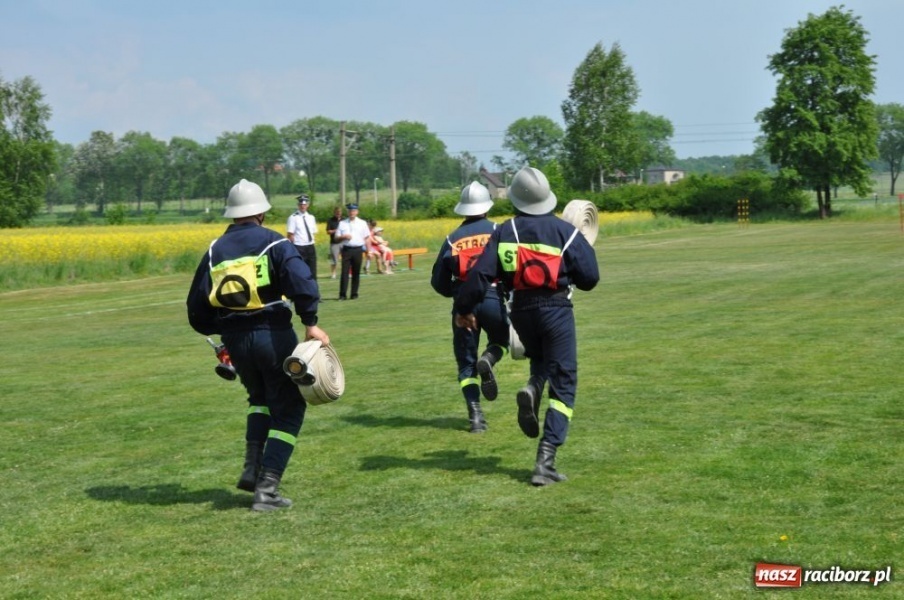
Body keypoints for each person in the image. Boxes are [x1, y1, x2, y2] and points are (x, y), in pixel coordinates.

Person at [186, 179, 331, 511]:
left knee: (259, 399)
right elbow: (302, 282)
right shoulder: (273, 241)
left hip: (236, 341)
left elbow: (196, 308)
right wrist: (310, 321)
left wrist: (225, 329)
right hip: (272, 334)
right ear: (261, 212)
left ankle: (252, 469)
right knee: (290, 407)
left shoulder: (215, 249)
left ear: (232, 213)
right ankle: (267, 488)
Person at [453, 167, 599, 485]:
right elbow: (590, 278)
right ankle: (545, 460)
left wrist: (463, 309)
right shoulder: (565, 231)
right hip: (556, 310)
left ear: (516, 199)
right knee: (564, 383)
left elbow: (479, 275)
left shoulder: (504, 231)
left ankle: (533, 386)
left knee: (542, 360)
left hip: (520, 311)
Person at [431, 182, 509, 433]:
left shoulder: (452, 239)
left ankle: (476, 416)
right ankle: (488, 359)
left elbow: (438, 281)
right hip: (493, 298)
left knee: (466, 364)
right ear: (486, 207)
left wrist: (456, 294)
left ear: (463, 208)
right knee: (502, 342)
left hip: (463, 307)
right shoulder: (498, 230)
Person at [335, 203, 371, 300]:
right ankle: (342, 294)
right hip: (347, 249)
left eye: (354, 211)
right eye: (350, 211)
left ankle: (354, 293)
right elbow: (336, 238)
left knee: (356, 272)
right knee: (344, 272)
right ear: (348, 212)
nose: (352, 213)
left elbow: (367, 238)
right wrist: (343, 236)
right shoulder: (342, 223)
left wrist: (369, 251)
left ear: (357, 212)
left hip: (358, 249)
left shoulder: (362, 223)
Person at [286, 194, 317, 279]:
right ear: (298, 205)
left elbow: (313, 232)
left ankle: (313, 286)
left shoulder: (311, 217)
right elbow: (290, 234)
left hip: (310, 246)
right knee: (300, 271)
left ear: (307, 205)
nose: (303, 206)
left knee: (312, 270)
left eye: (304, 204)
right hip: (299, 246)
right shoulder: (293, 217)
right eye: (301, 205)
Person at [326, 205, 343, 279]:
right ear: (334, 212)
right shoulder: (330, 220)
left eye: (339, 212)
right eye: (337, 212)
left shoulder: (344, 220)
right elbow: (328, 231)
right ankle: (333, 273)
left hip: (343, 242)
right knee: (334, 259)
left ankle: (347, 272)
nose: (338, 213)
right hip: (334, 242)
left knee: (346, 258)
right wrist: (335, 231)